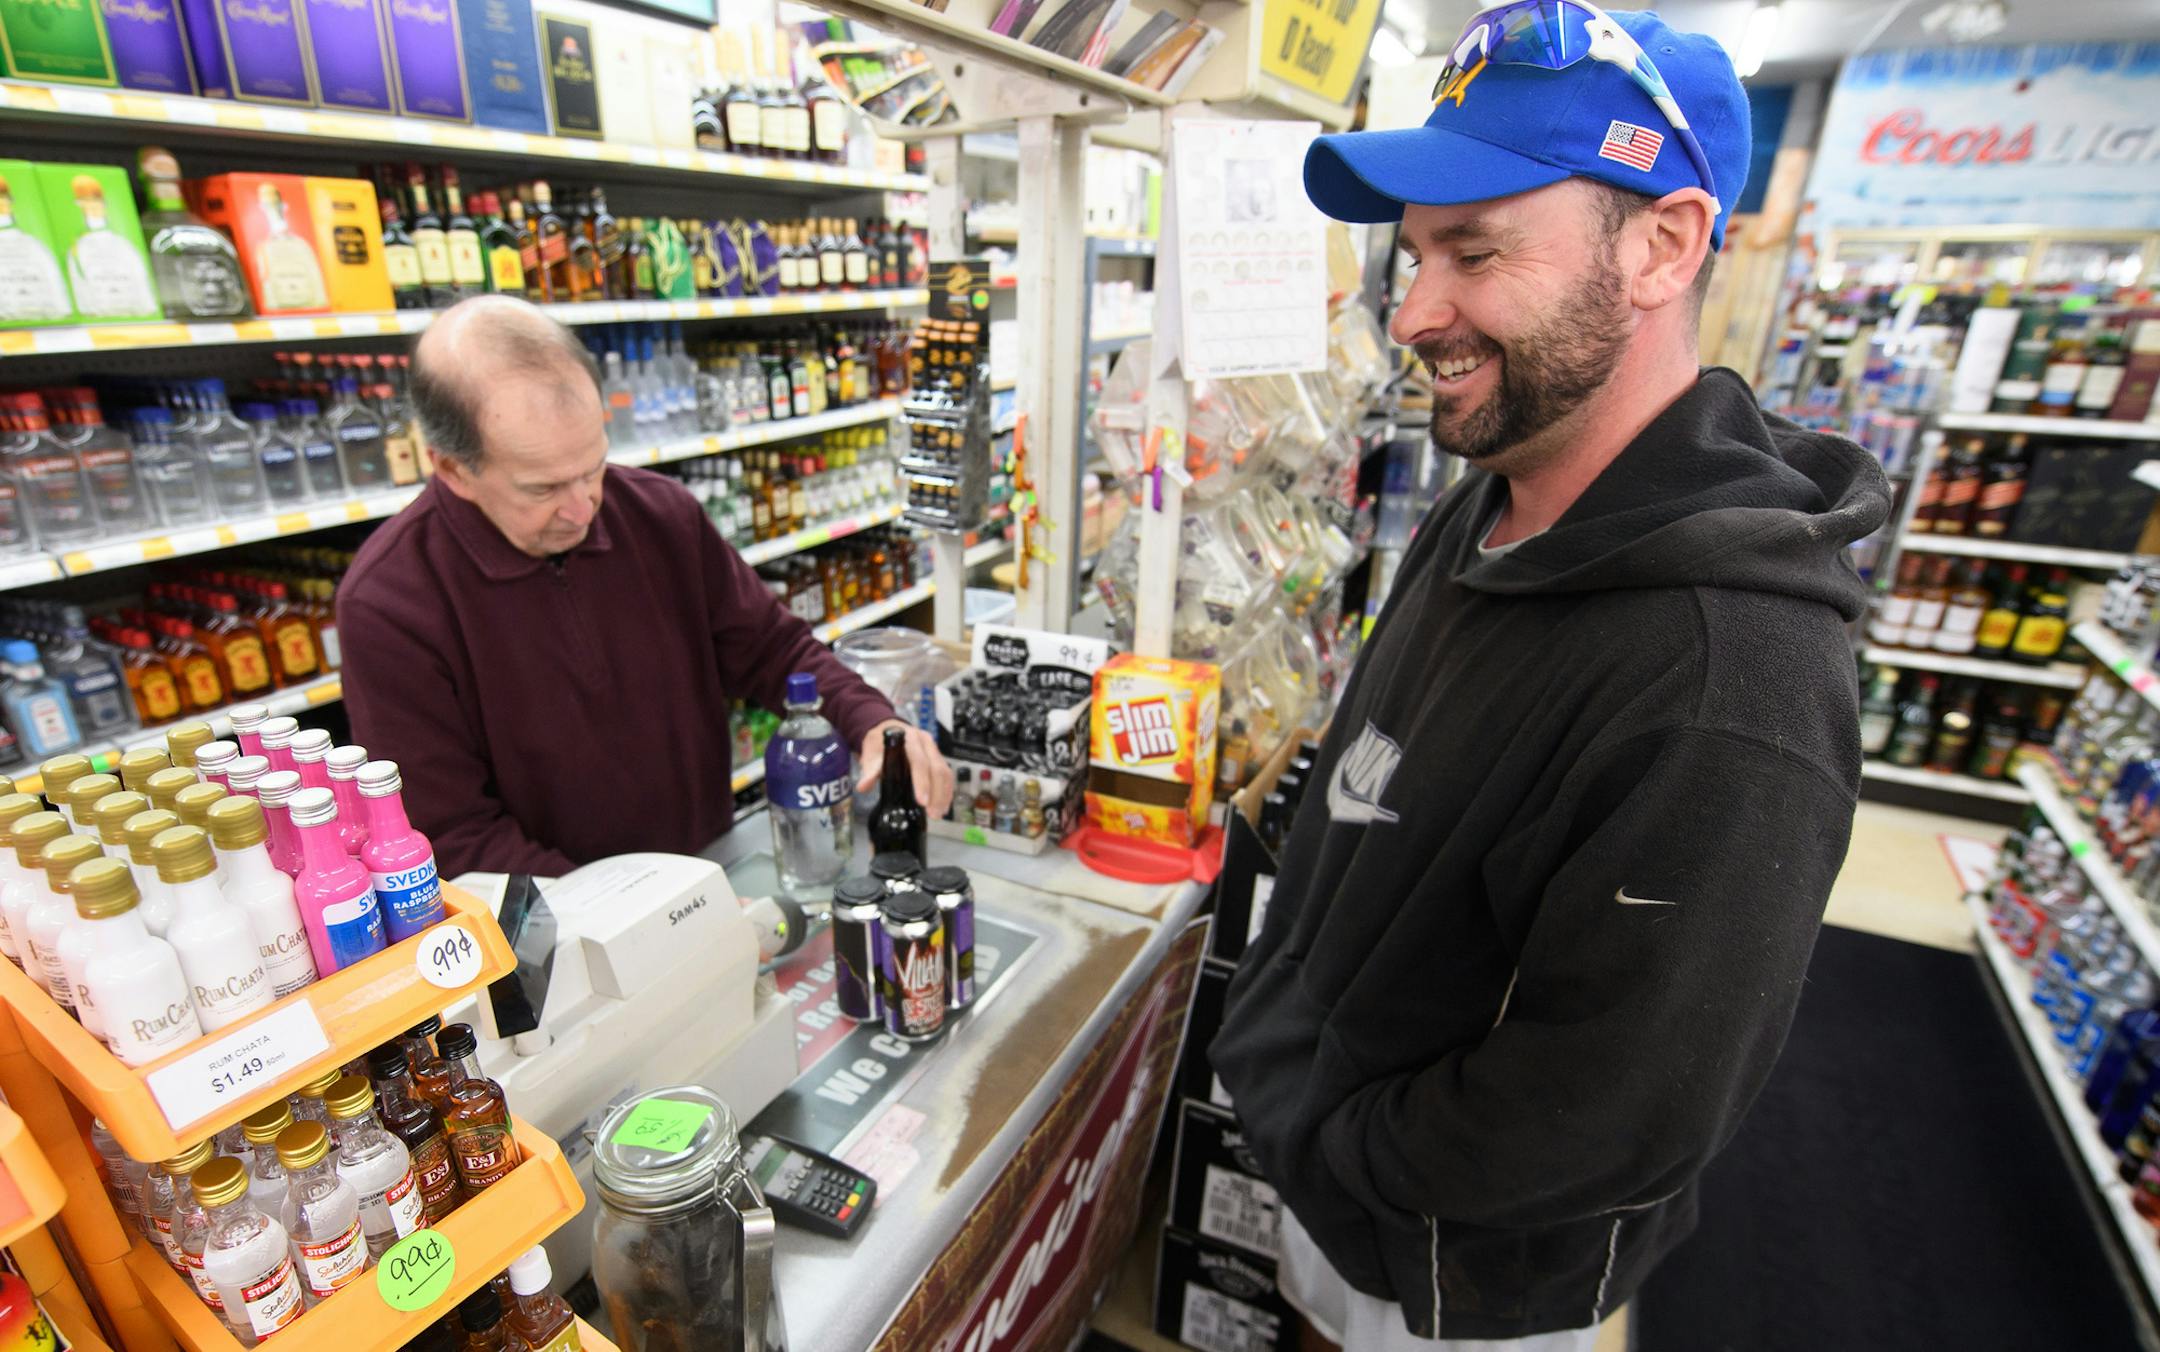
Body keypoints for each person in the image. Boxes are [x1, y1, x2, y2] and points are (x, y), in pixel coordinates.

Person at [1210, 7, 1890, 1351]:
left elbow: (1611, 1116)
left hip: (1451, 1285)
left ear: (1663, 246)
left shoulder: (1730, 682)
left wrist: (1333, 1138)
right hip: (1332, 1184)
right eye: (1413, 255)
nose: (1413, 314)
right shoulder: (1502, 489)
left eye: (1475, 248)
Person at [338, 296, 952, 878]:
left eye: (593, 466)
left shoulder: (661, 515)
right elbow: (452, 836)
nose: (583, 509)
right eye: (542, 488)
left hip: (705, 870)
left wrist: (874, 721)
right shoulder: (389, 605)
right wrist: (636, 919)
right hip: (550, 940)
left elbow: (775, 651)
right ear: (452, 468)